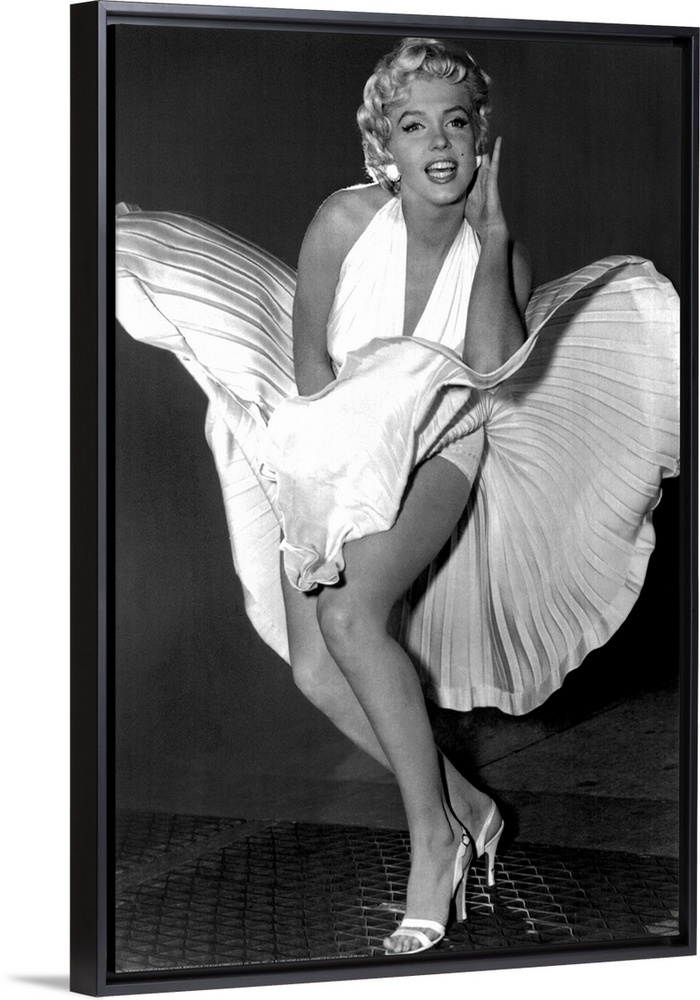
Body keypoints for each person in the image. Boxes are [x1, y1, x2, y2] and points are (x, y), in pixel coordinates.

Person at [115, 37, 679, 959]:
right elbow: (308, 360)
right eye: (415, 126)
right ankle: (467, 806)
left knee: (351, 623)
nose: (440, 145)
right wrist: (323, 489)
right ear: (386, 143)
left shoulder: (503, 252)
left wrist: (494, 238)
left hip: (446, 452)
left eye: (457, 123)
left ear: (482, 137)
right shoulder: (343, 220)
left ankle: (434, 845)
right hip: (326, 441)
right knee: (313, 670)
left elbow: (496, 371)